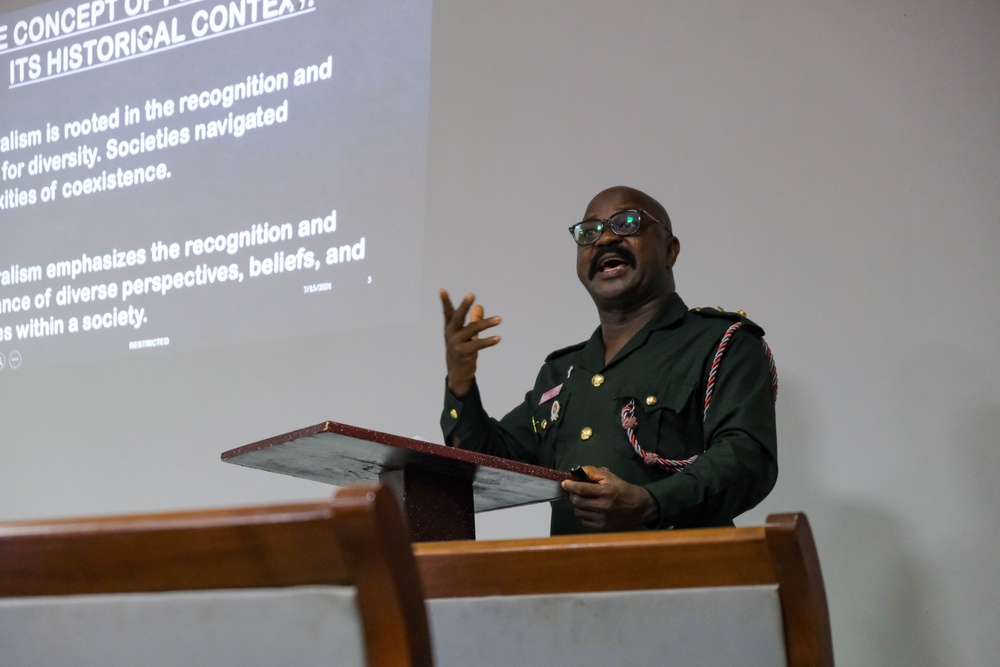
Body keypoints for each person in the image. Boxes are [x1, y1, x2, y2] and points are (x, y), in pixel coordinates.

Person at [439, 186, 777, 534]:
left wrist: (651, 502)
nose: (603, 240)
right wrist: (460, 382)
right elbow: (489, 464)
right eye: (589, 232)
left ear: (670, 250)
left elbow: (747, 457)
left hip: (681, 575)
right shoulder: (563, 371)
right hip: (573, 579)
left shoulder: (720, 342)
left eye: (627, 223)